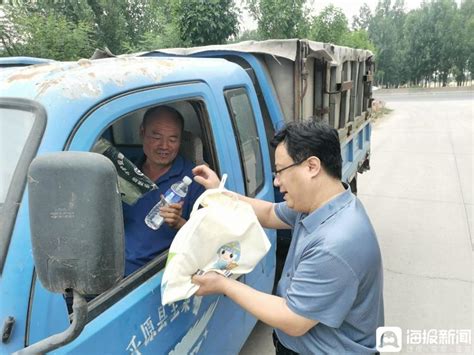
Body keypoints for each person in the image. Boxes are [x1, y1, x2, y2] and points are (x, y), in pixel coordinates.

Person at [192, 120, 384, 354]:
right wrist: (218, 193)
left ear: (312, 166)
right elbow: (268, 212)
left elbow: (293, 319)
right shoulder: (322, 204)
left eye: (280, 171)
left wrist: (223, 283)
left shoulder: (335, 243)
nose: (276, 181)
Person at [123, 105, 204, 275]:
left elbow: (207, 242)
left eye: (173, 139)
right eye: (156, 136)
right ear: (142, 132)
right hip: (110, 271)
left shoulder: (195, 180)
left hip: (148, 279)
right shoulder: (126, 171)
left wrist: (179, 223)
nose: (164, 146)